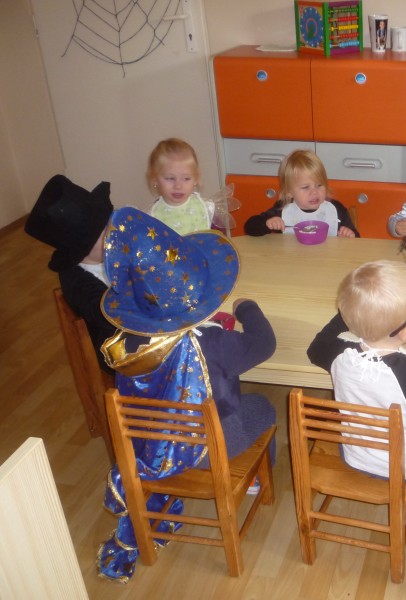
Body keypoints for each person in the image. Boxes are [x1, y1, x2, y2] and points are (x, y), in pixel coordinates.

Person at [96, 207, 278, 580]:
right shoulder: (212, 343)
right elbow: (265, 344)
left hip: (152, 447)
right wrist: (248, 309)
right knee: (264, 406)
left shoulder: (127, 344)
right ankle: (255, 479)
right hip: (209, 448)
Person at [306, 260, 406, 528]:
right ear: (405, 331)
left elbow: (315, 348)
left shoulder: (339, 355)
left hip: (356, 455)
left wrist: (357, 312)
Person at [25, 174, 117, 372]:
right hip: (117, 349)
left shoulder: (107, 254)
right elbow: (107, 314)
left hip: (141, 329)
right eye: (105, 233)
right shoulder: (76, 280)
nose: (113, 235)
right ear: (82, 247)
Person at [244, 149, 359, 238]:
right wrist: (266, 223)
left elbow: (357, 239)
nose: (314, 192)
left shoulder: (336, 209)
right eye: (305, 187)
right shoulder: (282, 209)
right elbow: (250, 227)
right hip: (292, 260)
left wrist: (350, 234)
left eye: (319, 185)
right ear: (289, 192)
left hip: (329, 260)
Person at [148, 138, 216, 235]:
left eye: (186, 178)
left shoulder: (205, 207)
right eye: (170, 178)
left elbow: (217, 239)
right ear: (155, 179)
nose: (178, 186)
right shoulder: (153, 216)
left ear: (196, 179)